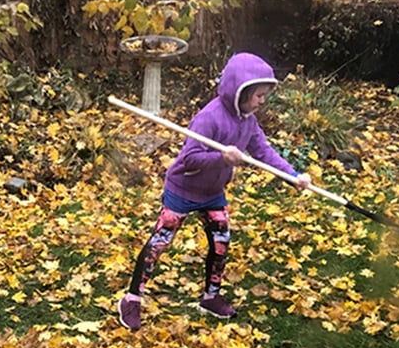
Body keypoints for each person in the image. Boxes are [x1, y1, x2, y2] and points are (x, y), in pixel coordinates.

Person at [117, 52, 311, 331]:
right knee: (160, 241)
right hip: (183, 189)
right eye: (258, 95)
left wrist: (293, 176)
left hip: (213, 193)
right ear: (240, 90)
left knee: (221, 243)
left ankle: (210, 297)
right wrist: (222, 158)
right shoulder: (209, 118)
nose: (262, 101)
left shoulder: (248, 121)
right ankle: (132, 298)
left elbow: (263, 151)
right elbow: (189, 160)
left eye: (265, 95)